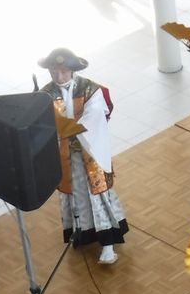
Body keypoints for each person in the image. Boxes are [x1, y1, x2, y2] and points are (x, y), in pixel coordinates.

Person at [38, 48, 127, 264]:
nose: (59, 76)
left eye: (63, 71)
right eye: (54, 71)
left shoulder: (89, 89)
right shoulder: (45, 93)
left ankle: (107, 243)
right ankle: (81, 231)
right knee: (74, 193)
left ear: (72, 70)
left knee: (97, 193)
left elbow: (95, 115)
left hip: (89, 150)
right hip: (65, 154)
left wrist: (72, 128)